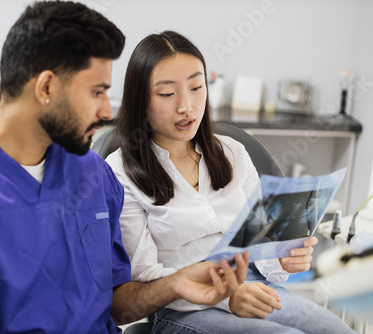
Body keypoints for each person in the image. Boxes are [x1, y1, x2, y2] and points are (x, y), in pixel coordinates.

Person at [0, 3, 248, 334]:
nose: (108, 111)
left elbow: (118, 308)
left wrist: (176, 283)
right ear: (46, 87)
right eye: (96, 92)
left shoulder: (92, 175)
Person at [106, 30, 356, 334]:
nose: (186, 106)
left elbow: (261, 246)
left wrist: (285, 258)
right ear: (140, 100)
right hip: (183, 310)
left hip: (256, 288)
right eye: (167, 94)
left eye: (197, 87)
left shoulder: (232, 152)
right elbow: (144, 277)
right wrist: (226, 296)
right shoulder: (120, 171)